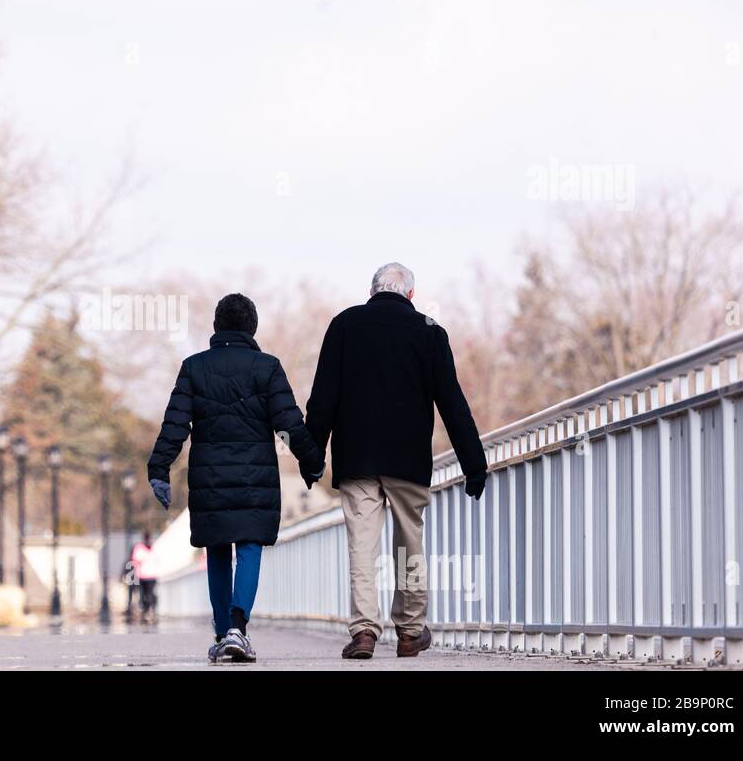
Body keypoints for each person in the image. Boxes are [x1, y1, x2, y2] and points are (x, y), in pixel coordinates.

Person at [304, 263, 487, 660]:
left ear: (371, 292)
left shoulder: (344, 326)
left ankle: (365, 631)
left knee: (362, 546)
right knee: (409, 544)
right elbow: (453, 405)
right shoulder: (430, 332)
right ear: (410, 295)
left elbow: (322, 399)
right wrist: (474, 464)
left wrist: (311, 456)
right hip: (408, 459)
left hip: (356, 458)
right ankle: (409, 630)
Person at [147, 293, 323, 663]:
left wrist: (159, 468)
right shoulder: (267, 368)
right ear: (252, 327)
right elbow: (288, 425)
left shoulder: (194, 368)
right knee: (249, 547)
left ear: (216, 326)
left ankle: (220, 631)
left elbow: (175, 425)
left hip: (209, 478)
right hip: (254, 478)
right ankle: (238, 630)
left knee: (217, 551)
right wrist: (311, 462)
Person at [130, 532, 157, 623]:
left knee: (148, 594)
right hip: (142, 576)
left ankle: (149, 611)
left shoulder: (153, 547)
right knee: (144, 594)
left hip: (150, 575)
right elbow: (134, 560)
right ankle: (147, 611)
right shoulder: (140, 548)